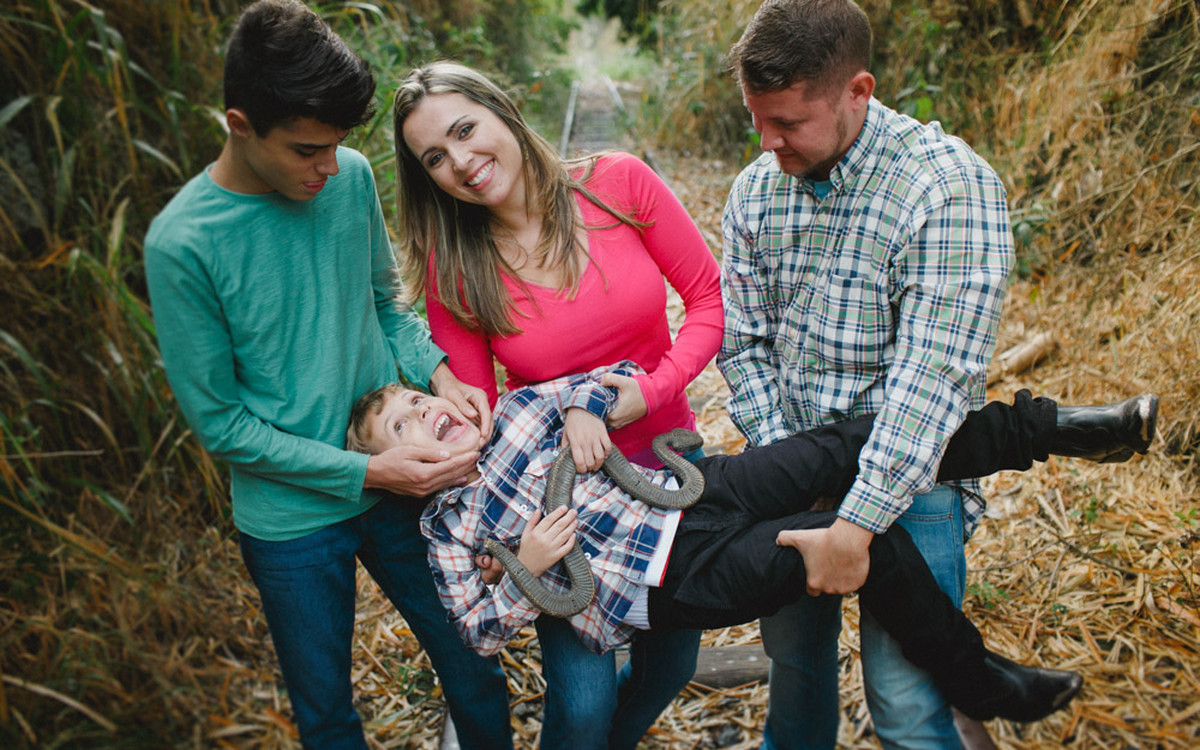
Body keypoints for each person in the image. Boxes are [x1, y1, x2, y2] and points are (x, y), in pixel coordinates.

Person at [344, 362, 1156, 726]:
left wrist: (588, 408)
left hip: (696, 490)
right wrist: (528, 570)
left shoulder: (522, 410)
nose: (425, 414)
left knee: (850, 444)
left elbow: (611, 374)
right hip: (667, 579)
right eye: (402, 428)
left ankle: (1056, 429)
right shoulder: (450, 533)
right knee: (850, 542)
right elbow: (476, 631)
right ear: (399, 471)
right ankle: (980, 681)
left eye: (418, 399)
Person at [142, 3, 511, 748]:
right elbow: (223, 426)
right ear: (240, 125)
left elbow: (385, 302)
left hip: (403, 471)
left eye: (339, 145)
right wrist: (367, 471)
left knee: (474, 665)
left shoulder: (347, 179)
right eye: (308, 149)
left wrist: (440, 374)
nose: (329, 167)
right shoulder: (182, 245)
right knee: (327, 716)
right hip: (292, 521)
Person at [717, 1, 1050, 747]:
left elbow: (932, 379)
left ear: (857, 91)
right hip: (793, 469)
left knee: (905, 702)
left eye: (788, 123)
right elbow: (744, 344)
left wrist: (858, 519)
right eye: (756, 119)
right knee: (794, 666)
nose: (767, 143)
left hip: (915, 476)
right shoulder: (756, 191)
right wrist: (789, 466)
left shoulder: (945, 187)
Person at [391, 61, 723, 749]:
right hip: (560, 507)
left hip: (663, 475)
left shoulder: (618, 184)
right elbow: (481, 422)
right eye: (435, 157)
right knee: (581, 707)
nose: (461, 162)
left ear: (503, 110)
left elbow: (708, 300)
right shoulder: (458, 265)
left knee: (670, 669)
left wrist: (651, 390)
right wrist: (495, 538)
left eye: (465, 130)